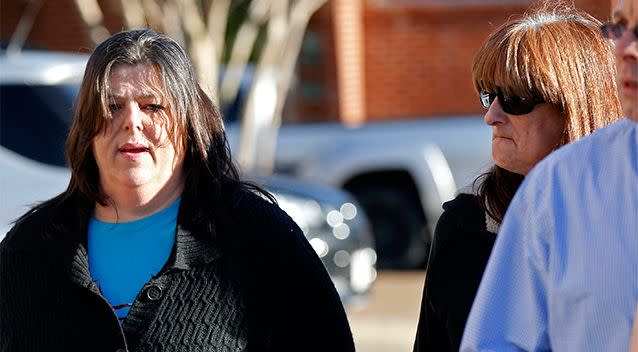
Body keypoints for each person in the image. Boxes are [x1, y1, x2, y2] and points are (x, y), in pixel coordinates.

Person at [0, 29, 355, 351]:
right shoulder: (29, 249)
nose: (131, 121)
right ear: (86, 128)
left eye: (152, 106)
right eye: (112, 106)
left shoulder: (258, 236)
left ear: (188, 123)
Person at [413, 2, 624, 351]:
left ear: (576, 105)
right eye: (488, 95)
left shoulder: (623, 217)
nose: (492, 115)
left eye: (515, 98)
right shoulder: (467, 222)